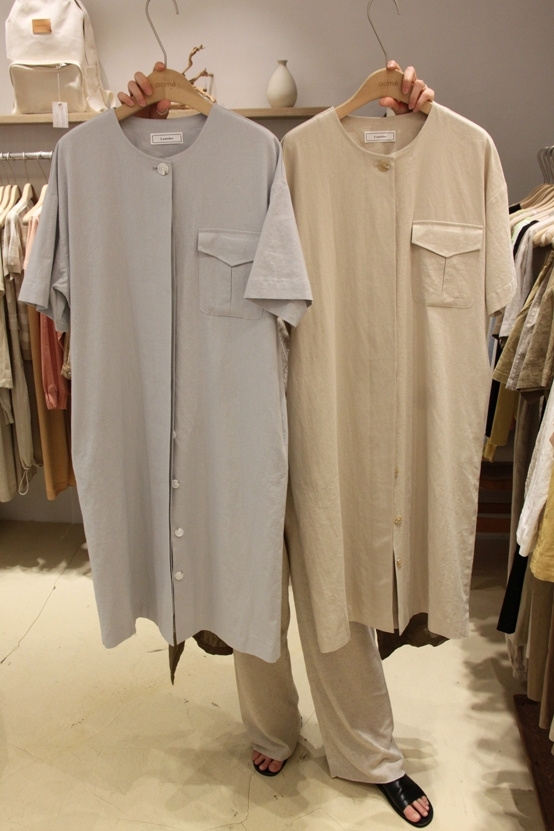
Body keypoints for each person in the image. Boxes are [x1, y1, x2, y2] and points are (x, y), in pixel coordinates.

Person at [119, 60, 435, 828]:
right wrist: (139, 133)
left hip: (324, 391)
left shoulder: (304, 156)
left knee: (334, 578)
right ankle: (271, 727)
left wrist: (413, 121)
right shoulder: (202, 159)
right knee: (248, 576)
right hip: (231, 400)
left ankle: (369, 748)